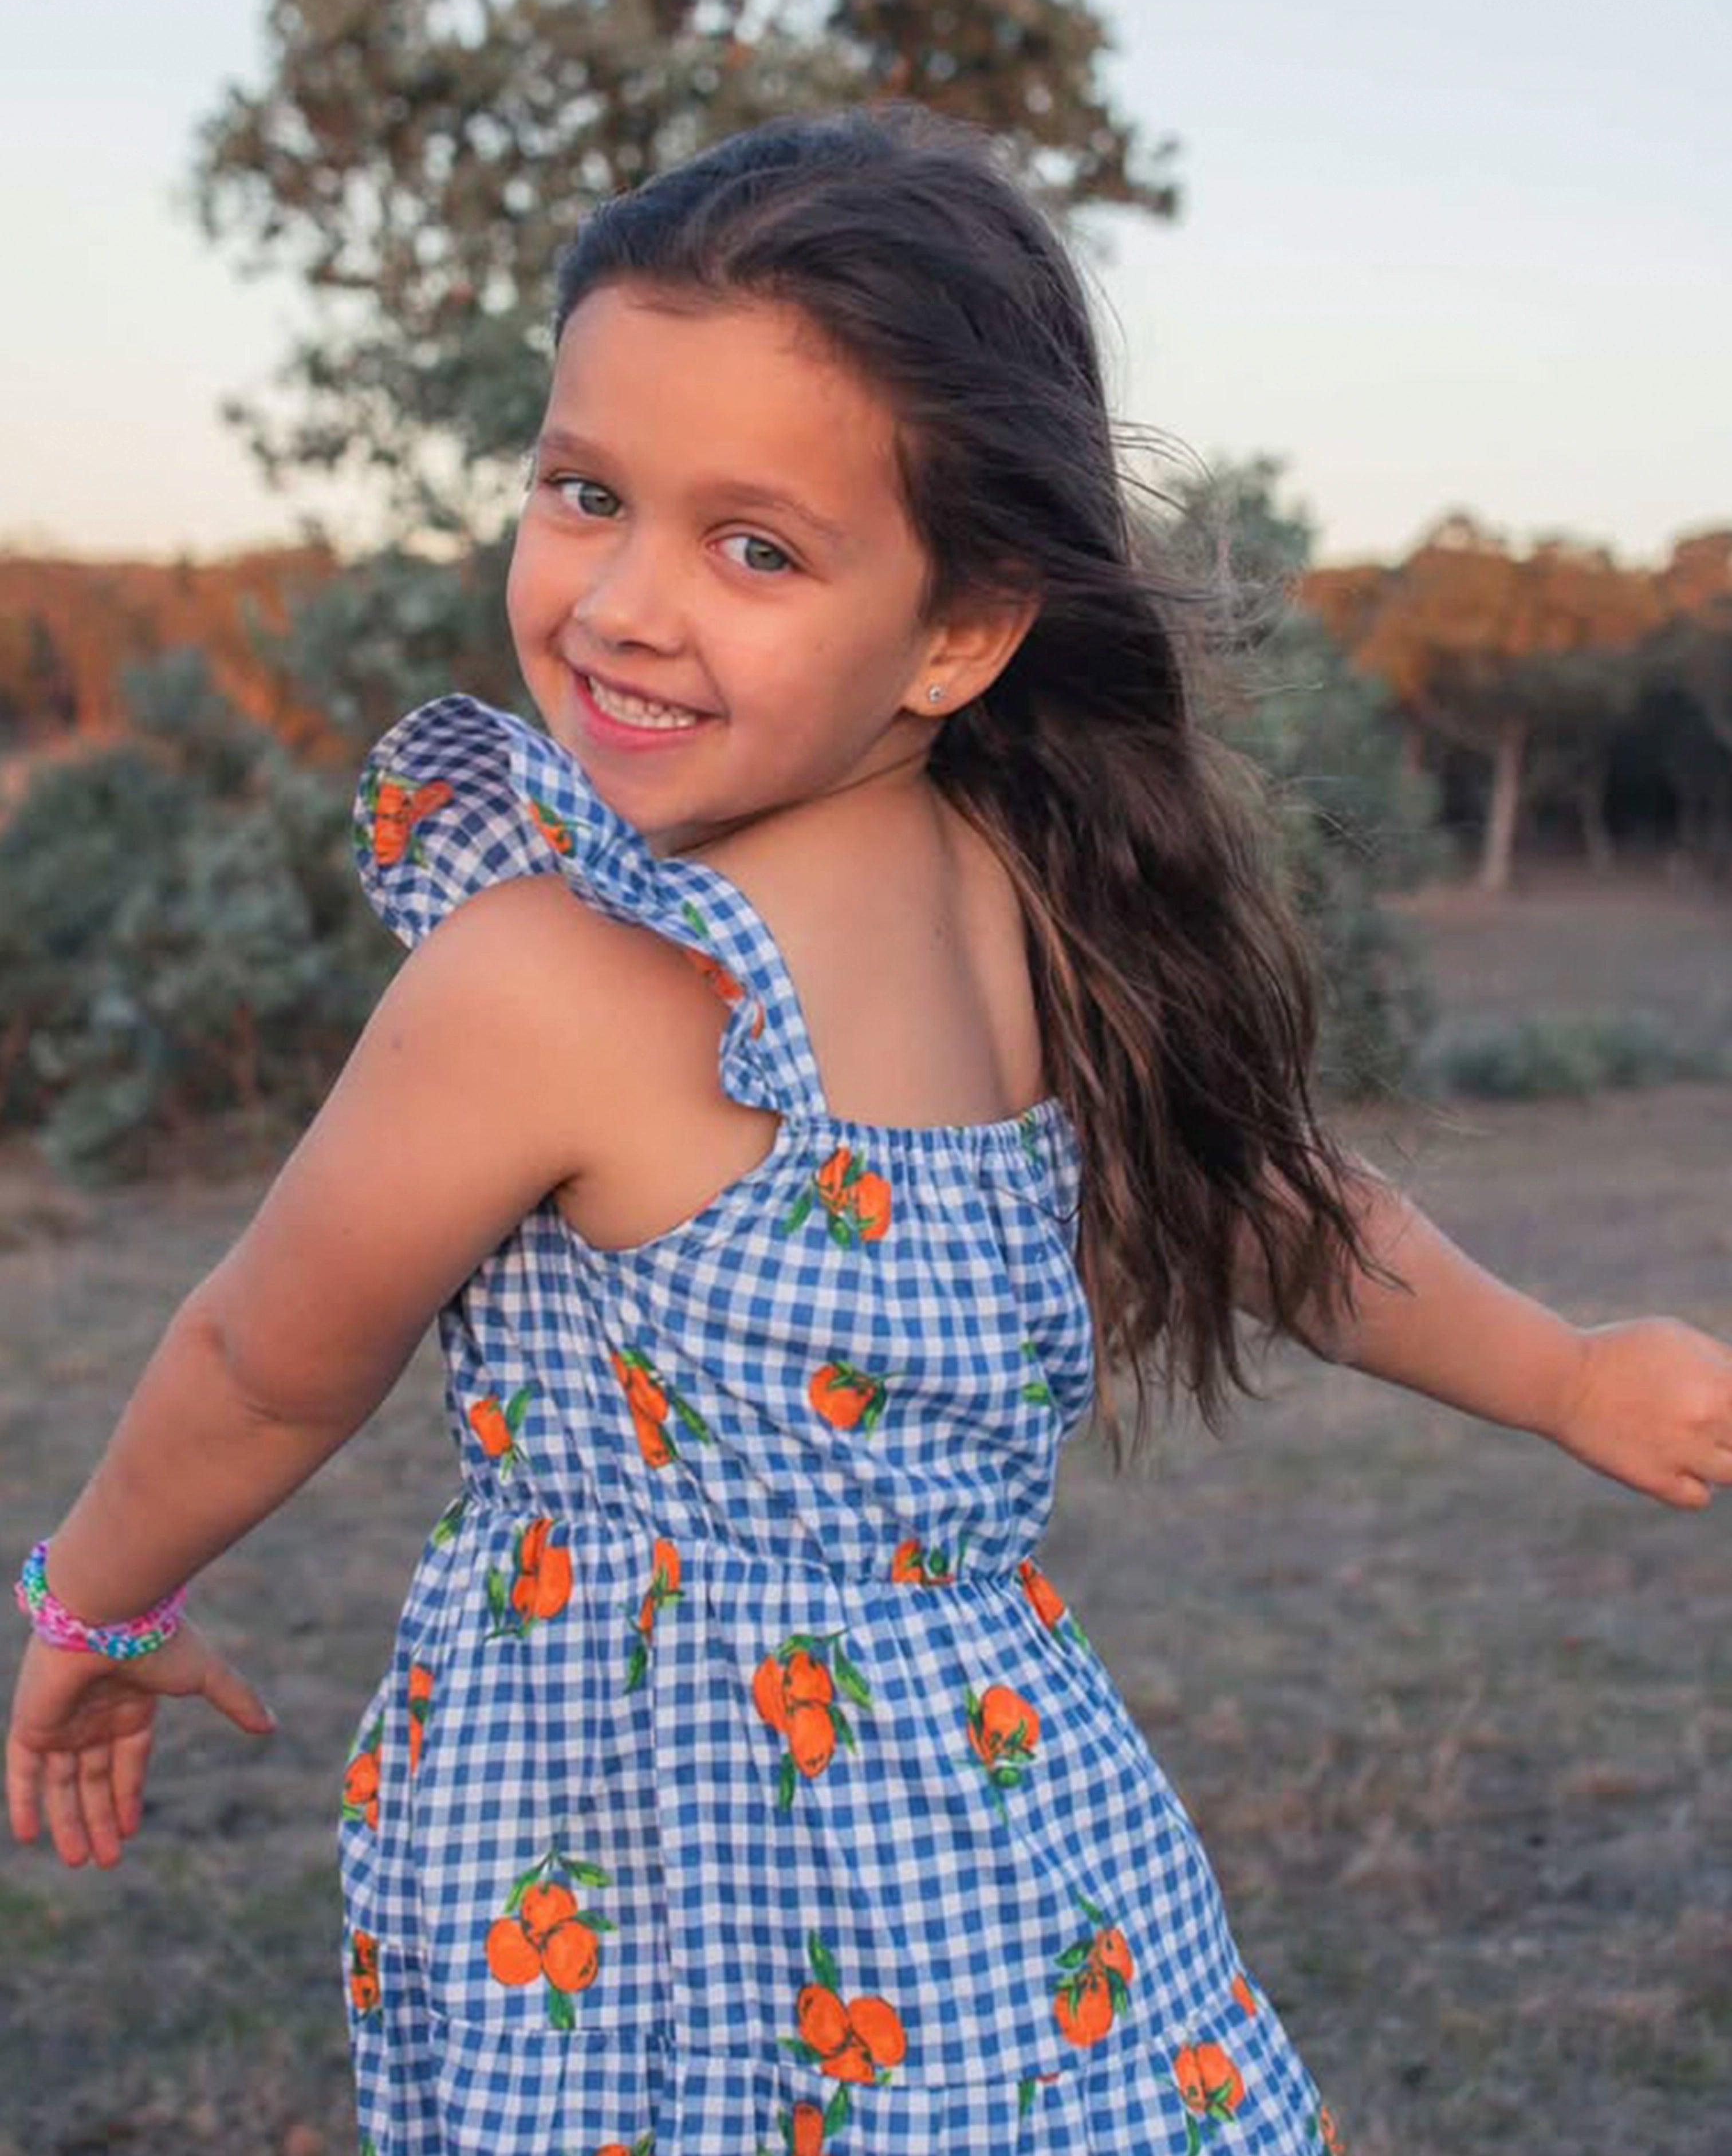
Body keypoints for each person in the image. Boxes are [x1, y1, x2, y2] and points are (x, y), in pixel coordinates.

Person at [7, 104, 1729, 2156]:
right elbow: (1277, 1213)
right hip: (1011, 1849)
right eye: (584, 492)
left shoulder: (558, 978)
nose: (626, 602)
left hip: (650, 1878)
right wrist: (1563, 1370)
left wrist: (96, 1611)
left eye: (756, 547)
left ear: (961, 629)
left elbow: (260, 1360)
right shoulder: (1025, 897)